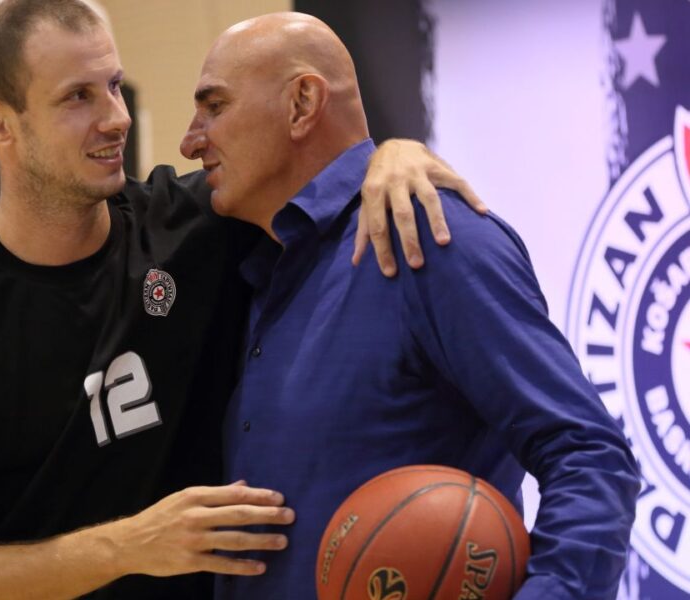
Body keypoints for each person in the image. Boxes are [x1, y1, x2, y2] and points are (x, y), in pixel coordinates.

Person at [0, 1, 484, 598]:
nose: (116, 117)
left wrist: (395, 155)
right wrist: (130, 546)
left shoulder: (201, 226)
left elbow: (315, 162)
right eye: (78, 96)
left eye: (113, 84)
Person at [178, 12, 641, 600]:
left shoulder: (433, 240)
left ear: (301, 103)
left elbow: (589, 455)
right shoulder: (246, 258)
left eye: (214, 106)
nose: (191, 139)